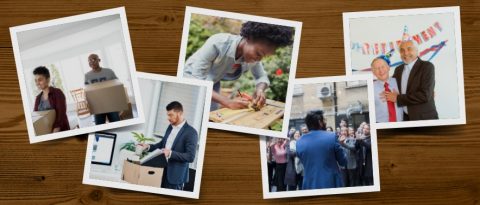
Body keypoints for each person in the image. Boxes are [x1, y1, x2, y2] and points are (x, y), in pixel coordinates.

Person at [184, 21, 294, 111]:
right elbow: (197, 81)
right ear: (249, 38)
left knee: (210, 114)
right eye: (258, 54)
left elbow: (261, 77)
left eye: (263, 57)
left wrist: (260, 90)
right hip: (189, 78)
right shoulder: (218, 43)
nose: (259, 59)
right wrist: (227, 101)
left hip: (212, 83)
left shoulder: (252, 56)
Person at [139, 101, 198, 190]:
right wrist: (148, 146)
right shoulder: (170, 127)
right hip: (161, 171)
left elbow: (190, 157)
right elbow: (162, 144)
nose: (168, 118)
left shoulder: (191, 132)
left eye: (170, 115)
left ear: (180, 113)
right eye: (167, 115)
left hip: (175, 177)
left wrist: (170, 153)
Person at [385, 38, 438, 121]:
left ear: (417, 51)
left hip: (424, 118)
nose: (405, 53)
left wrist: (398, 98)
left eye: (409, 49)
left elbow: (425, 95)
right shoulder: (398, 69)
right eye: (402, 50)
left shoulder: (427, 66)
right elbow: (390, 85)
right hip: (404, 118)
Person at [296, 110, 347, 189]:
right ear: (320, 122)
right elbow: (343, 162)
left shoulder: (299, 142)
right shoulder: (332, 136)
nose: (325, 122)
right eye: (324, 120)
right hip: (331, 183)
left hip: (309, 184)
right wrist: (341, 145)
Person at [84, 54, 121, 125]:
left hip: (111, 104)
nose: (92, 62)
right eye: (89, 60)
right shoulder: (87, 76)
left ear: (99, 60)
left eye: (94, 59)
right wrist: (87, 102)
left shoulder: (109, 71)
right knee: (100, 128)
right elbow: (87, 91)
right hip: (97, 106)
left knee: (117, 124)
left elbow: (118, 86)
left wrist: (119, 104)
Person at [33, 66, 70, 133]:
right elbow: (36, 116)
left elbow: (61, 114)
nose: (37, 83)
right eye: (35, 80)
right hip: (45, 132)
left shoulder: (57, 93)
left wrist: (56, 129)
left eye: (40, 80)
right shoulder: (37, 98)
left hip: (60, 131)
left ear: (48, 80)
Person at [371, 56, 403, 122]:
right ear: (373, 72)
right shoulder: (370, 88)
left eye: (383, 67)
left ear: (388, 67)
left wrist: (400, 98)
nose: (381, 70)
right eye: (377, 68)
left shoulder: (400, 83)